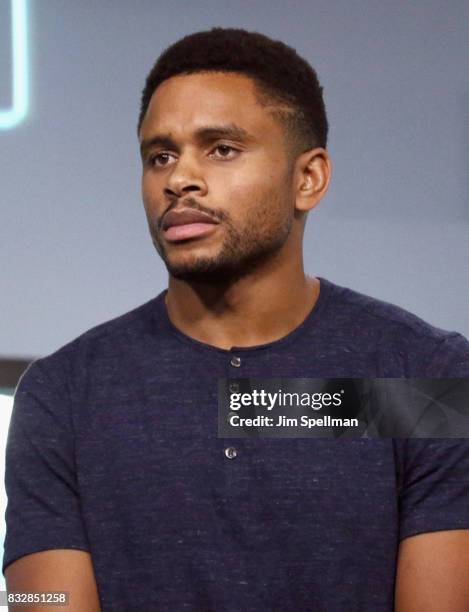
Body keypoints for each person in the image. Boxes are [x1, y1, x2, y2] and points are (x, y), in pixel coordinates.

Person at [3, 27, 469, 611]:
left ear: (308, 179)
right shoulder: (64, 396)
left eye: (221, 149)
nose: (179, 180)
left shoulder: (425, 378)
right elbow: (43, 602)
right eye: (160, 156)